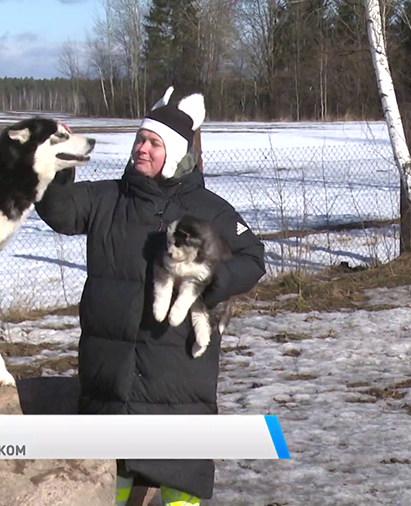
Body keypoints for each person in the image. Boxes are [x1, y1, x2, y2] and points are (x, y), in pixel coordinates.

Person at [34, 87, 266, 505]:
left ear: (175, 154)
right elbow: (59, 211)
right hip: (111, 360)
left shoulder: (207, 207)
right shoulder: (108, 198)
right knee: (112, 469)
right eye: (140, 139)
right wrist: (60, 160)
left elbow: (253, 257)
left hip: (174, 363)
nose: (141, 148)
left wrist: (212, 280)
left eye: (154, 143)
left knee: (179, 467)